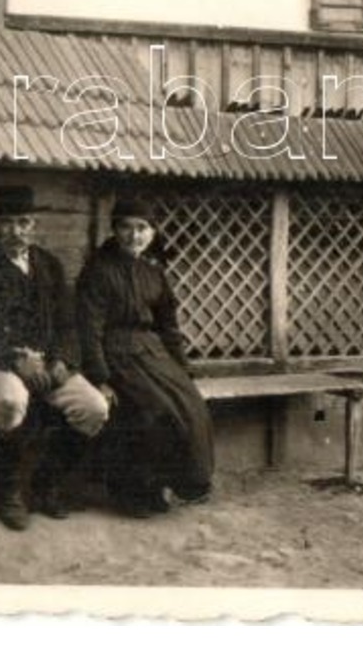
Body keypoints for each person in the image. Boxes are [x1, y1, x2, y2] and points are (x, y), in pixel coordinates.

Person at [0, 185, 110, 530]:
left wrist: (60, 361)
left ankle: (45, 484)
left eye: (23, 222)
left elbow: (68, 324)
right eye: (6, 222)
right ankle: (9, 493)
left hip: (48, 364)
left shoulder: (49, 265)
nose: (16, 231)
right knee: (9, 401)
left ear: (34, 225)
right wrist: (14, 360)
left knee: (94, 408)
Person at [77, 196, 214, 517]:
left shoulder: (153, 272)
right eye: (126, 227)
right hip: (116, 354)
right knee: (150, 410)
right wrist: (101, 378)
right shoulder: (97, 270)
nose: (134, 236)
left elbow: (169, 325)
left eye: (142, 228)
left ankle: (181, 484)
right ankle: (134, 493)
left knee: (191, 403)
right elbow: (89, 328)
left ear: (152, 233)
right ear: (114, 230)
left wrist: (183, 370)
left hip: (153, 353)